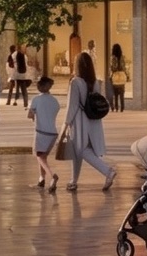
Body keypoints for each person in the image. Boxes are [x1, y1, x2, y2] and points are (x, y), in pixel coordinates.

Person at [62, 51, 116, 191]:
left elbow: (72, 106)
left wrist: (65, 125)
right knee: (79, 150)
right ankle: (73, 180)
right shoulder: (95, 82)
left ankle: (107, 171)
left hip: (79, 121)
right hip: (93, 120)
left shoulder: (75, 82)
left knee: (81, 150)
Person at [30, 72, 63, 192]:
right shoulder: (55, 101)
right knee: (43, 157)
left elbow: (30, 114)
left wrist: (33, 114)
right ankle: (41, 179)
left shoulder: (36, 99)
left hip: (41, 132)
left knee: (39, 156)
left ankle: (52, 176)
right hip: (53, 133)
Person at [108, 42, 128, 113]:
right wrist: (126, 74)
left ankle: (116, 107)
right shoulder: (122, 57)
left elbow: (113, 67)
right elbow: (124, 67)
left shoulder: (113, 58)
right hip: (122, 75)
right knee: (122, 93)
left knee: (116, 94)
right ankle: (122, 107)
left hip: (115, 76)